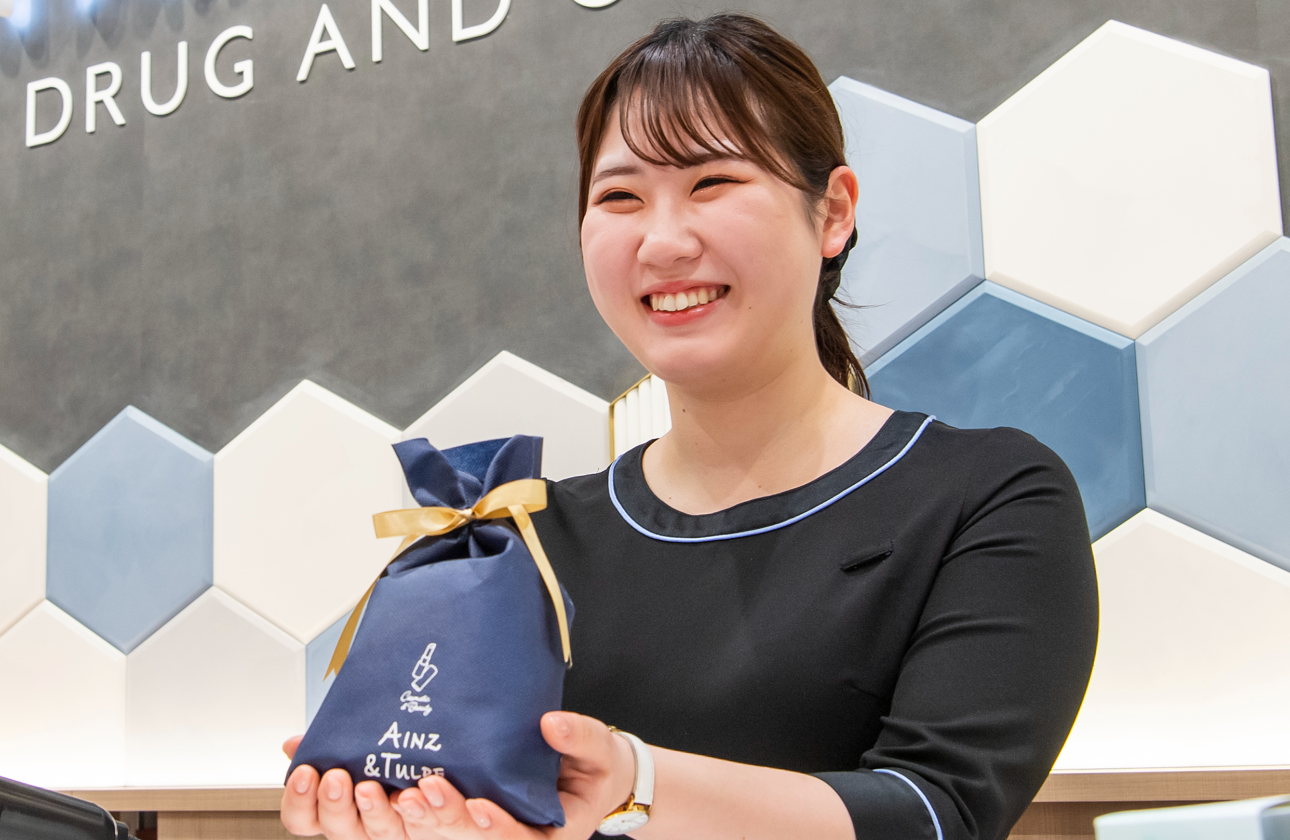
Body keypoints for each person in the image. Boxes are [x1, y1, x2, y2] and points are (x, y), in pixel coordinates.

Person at [280, 13, 1097, 840]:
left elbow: (938, 811)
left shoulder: (985, 496)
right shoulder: (528, 536)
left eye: (712, 183)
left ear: (833, 212)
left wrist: (636, 783)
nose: (663, 242)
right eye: (620, 197)